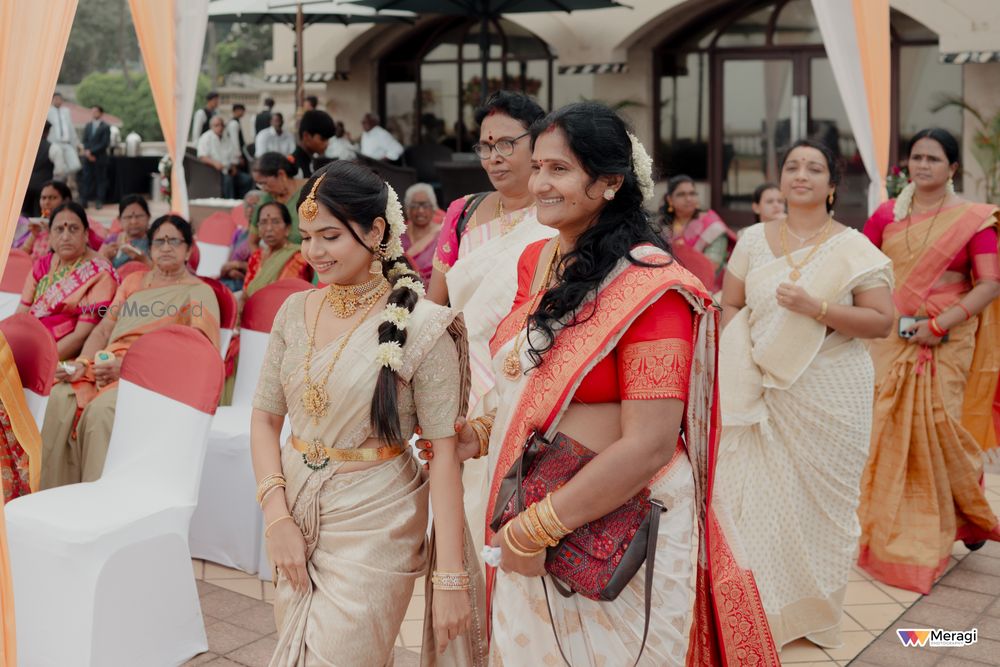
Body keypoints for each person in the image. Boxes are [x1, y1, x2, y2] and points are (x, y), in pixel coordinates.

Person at [421, 102, 778, 665]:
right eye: (536, 166)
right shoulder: (536, 262)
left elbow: (650, 443)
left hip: (618, 525)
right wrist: (483, 434)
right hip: (533, 496)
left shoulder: (651, 288)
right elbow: (532, 383)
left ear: (610, 182)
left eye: (559, 169)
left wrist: (534, 529)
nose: (538, 182)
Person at [251, 161, 486, 665]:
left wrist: (449, 578)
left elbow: (445, 457)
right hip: (294, 507)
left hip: (377, 519)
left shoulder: (424, 327)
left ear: (376, 230)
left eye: (330, 236)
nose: (314, 252)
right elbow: (265, 420)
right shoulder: (295, 312)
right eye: (307, 236)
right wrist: (276, 518)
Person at [716, 139, 894, 649]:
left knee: (826, 509)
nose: (801, 175)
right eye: (792, 166)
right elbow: (730, 305)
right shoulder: (751, 239)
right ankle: (764, 614)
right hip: (762, 388)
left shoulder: (852, 247)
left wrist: (818, 308)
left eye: (814, 168)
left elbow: (882, 320)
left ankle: (817, 619)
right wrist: (741, 360)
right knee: (758, 503)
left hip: (831, 390)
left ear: (833, 186)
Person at [858, 128, 1000, 594]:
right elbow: (862, 268)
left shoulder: (974, 220)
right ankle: (899, 523)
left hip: (950, 340)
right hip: (893, 339)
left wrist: (940, 324)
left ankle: (958, 512)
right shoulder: (886, 215)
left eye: (934, 159)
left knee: (943, 425)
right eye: (916, 157)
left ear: (953, 168)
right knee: (887, 426)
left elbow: (989, 283)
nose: (923, 165)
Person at [427, 91, 554, 545]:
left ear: (536, 144)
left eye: (506, 144)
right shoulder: (462, 213)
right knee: (456, 508)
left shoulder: (556, 218)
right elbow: (436, 304)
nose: (494, 158)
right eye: (485, 146)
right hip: (458, 378)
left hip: (524, 378)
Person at [39, 215, 220, 489]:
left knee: (100, 413)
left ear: (188, 249)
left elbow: (195, 354)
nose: (166, 247)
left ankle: (96, 502)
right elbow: (102, 330)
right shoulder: (134, 282)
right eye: (159, 241)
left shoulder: (199, 292)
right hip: (106, 365)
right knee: (58, 397)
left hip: (153, 379)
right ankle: (56, 494)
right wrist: (83, 362)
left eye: (174, 241)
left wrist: (129, 368)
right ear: (149, 248)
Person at [16, 202, 119, 360]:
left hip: (61, 356)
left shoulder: (99, 273)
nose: (65, 237)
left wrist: (40, 362)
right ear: (50, 236)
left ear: (85, 234)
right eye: (59, 229)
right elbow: (20, 316)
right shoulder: (42, 265)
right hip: (27, 344)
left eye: (73, 229)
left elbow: (80, 336)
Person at [661, 174, 736, 289]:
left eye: (692, 193)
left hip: (707, 288)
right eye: (681, 194)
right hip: (668, 284)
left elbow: (712, 266)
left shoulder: (711, 225)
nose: (688, 198)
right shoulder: (662, 226)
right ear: (670, 199)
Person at [243, 202, 311, 298]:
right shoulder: (256, 256)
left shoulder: (298, 257)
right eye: (263, 222)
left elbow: (288, 295)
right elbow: (246, 292)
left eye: (275, 222)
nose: (269, 228)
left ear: (287, 228)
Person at [249, 152, 307, 246]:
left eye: (264, 183)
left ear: (281, 174)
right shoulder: (266, 199)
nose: (263, 189)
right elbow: (252, 242)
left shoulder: (311, 192)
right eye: (259, 184)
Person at [14, 180, 72, 260]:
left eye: (53, 198)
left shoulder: (73, 225)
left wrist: (52, 232)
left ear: (66, 201)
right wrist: (34, 234)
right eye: (43, 198)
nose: (46, 202)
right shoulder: (41, 225)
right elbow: (22, 255)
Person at [198, 116, 252, 199]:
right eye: (216, 125)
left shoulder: (226, 138)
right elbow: (202, 156)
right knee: (228, 180)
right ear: (211, 126)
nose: (219, 128)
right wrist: (214, 163)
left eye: (221, 125)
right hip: (214, 171)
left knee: (247, 180)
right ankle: (229, 204)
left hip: (229, 169)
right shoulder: (205, 138)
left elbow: (233, 156)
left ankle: (242, 204)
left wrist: (234, 166)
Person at [401, 183, 444, 286]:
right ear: (408, 209)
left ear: (433, 208)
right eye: (415, 206)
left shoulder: (442, 236)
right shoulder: (399, 235)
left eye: (425, 205)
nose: (420, 210)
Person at [219, 190, 261, 292]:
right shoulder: (238, 233)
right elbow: (227, 264)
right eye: (247, 206)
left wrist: (237, 265)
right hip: (230, 280)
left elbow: (263, 269)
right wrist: (230, 271)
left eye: (254, 205)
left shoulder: (264, 236)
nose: (250, 210)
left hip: (249, 286)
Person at [99, 195, 152, 269]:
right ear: (119, 220)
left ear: (148, 217)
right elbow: (97, 268)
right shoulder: (112, 240)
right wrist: (106, 258)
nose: (134, 222)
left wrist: (143, 260)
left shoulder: (155, 239)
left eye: (139, 216)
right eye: (128, 217)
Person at [80, 106, 111, 210]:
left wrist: (92, 152)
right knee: (86, 179)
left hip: (100, 158)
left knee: (100, 180)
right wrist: (88, 153)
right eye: (92, 111)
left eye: (96, 111)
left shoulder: (105, 127)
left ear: (101, 113)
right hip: (88, 158)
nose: (94, 113)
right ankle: (84, 201)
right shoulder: (88, 125)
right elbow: (85, 140)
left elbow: (104, 143)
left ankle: (99, 201)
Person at [22, 120, 54, 217]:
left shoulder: (25, 145)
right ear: (48, 132)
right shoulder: (52, 147)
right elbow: (60, 170)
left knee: (25, 212)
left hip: (25, 185)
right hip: (44, 186)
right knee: (40, 213)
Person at [291, 109, 335, 178]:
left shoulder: (313, 162)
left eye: (328, 139)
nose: (327, 144)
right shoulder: (293, 168)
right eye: (322, 139)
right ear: (306, 136)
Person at [47, 92, 80, 182]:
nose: (58, 101)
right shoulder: (48, 111)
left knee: (75, 165)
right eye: (56, 99)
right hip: (54, 143)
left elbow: (70, 127)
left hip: (66, 142)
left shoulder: (66, 111)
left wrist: (76, 142)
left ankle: (61, 176)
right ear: (52, 100)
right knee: (58, 166)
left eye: (60, 99)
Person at [225, 103, 247, 168]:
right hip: (234, 156)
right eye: (242, 111)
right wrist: (239, 156)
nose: (243, 113)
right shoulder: (233, 123)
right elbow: (235, 142)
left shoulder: (235, 122)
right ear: (237, 110)